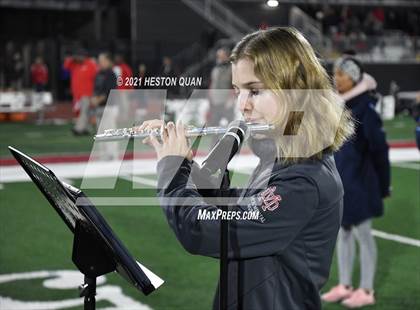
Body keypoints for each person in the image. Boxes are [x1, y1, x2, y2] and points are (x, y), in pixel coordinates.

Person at [140, 27, 354, 309]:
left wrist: (171, 172)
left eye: (254, 90)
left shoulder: (304, 177)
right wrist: (186, 166)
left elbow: (203, 231)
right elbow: (240, 207)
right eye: (238, 91)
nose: (242, 105)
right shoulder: (282, 158)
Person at [322, 56, 391, 308]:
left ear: (353, 77)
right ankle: (345, 285)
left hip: (362, 184)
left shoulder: (366, 110)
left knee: (364, 235)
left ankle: (367, 289)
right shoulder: (340, 106)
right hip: (343, 184)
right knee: (344, 234)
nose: (336, 78)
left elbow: (380, 152)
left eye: (341, 74)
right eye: (335, 74)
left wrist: (384, 186)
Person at [64, 48, 97, 134]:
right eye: (77, 56)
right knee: (80, 111)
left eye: (80, 56)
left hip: (87, 92)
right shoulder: (74, 64)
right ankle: (87, 128)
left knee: (84, 110)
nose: (78, 58)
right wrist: (72, 58)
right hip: (76, 93)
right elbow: (65, 66)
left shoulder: (90, 64)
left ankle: (78, 128)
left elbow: (96, 77)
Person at [208, 47, 235, 146]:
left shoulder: (232, 68)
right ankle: (213, 146)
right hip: (215, 101)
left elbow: (234, 84)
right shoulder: (215, 69)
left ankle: (231, 146)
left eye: (221, 55)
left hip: (227, 101)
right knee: (215, 125)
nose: (219, 57)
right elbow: (212, 84)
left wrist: (231, 99)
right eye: (218, 55)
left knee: (230, 125)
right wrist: (210, 98)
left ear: (227, 56)